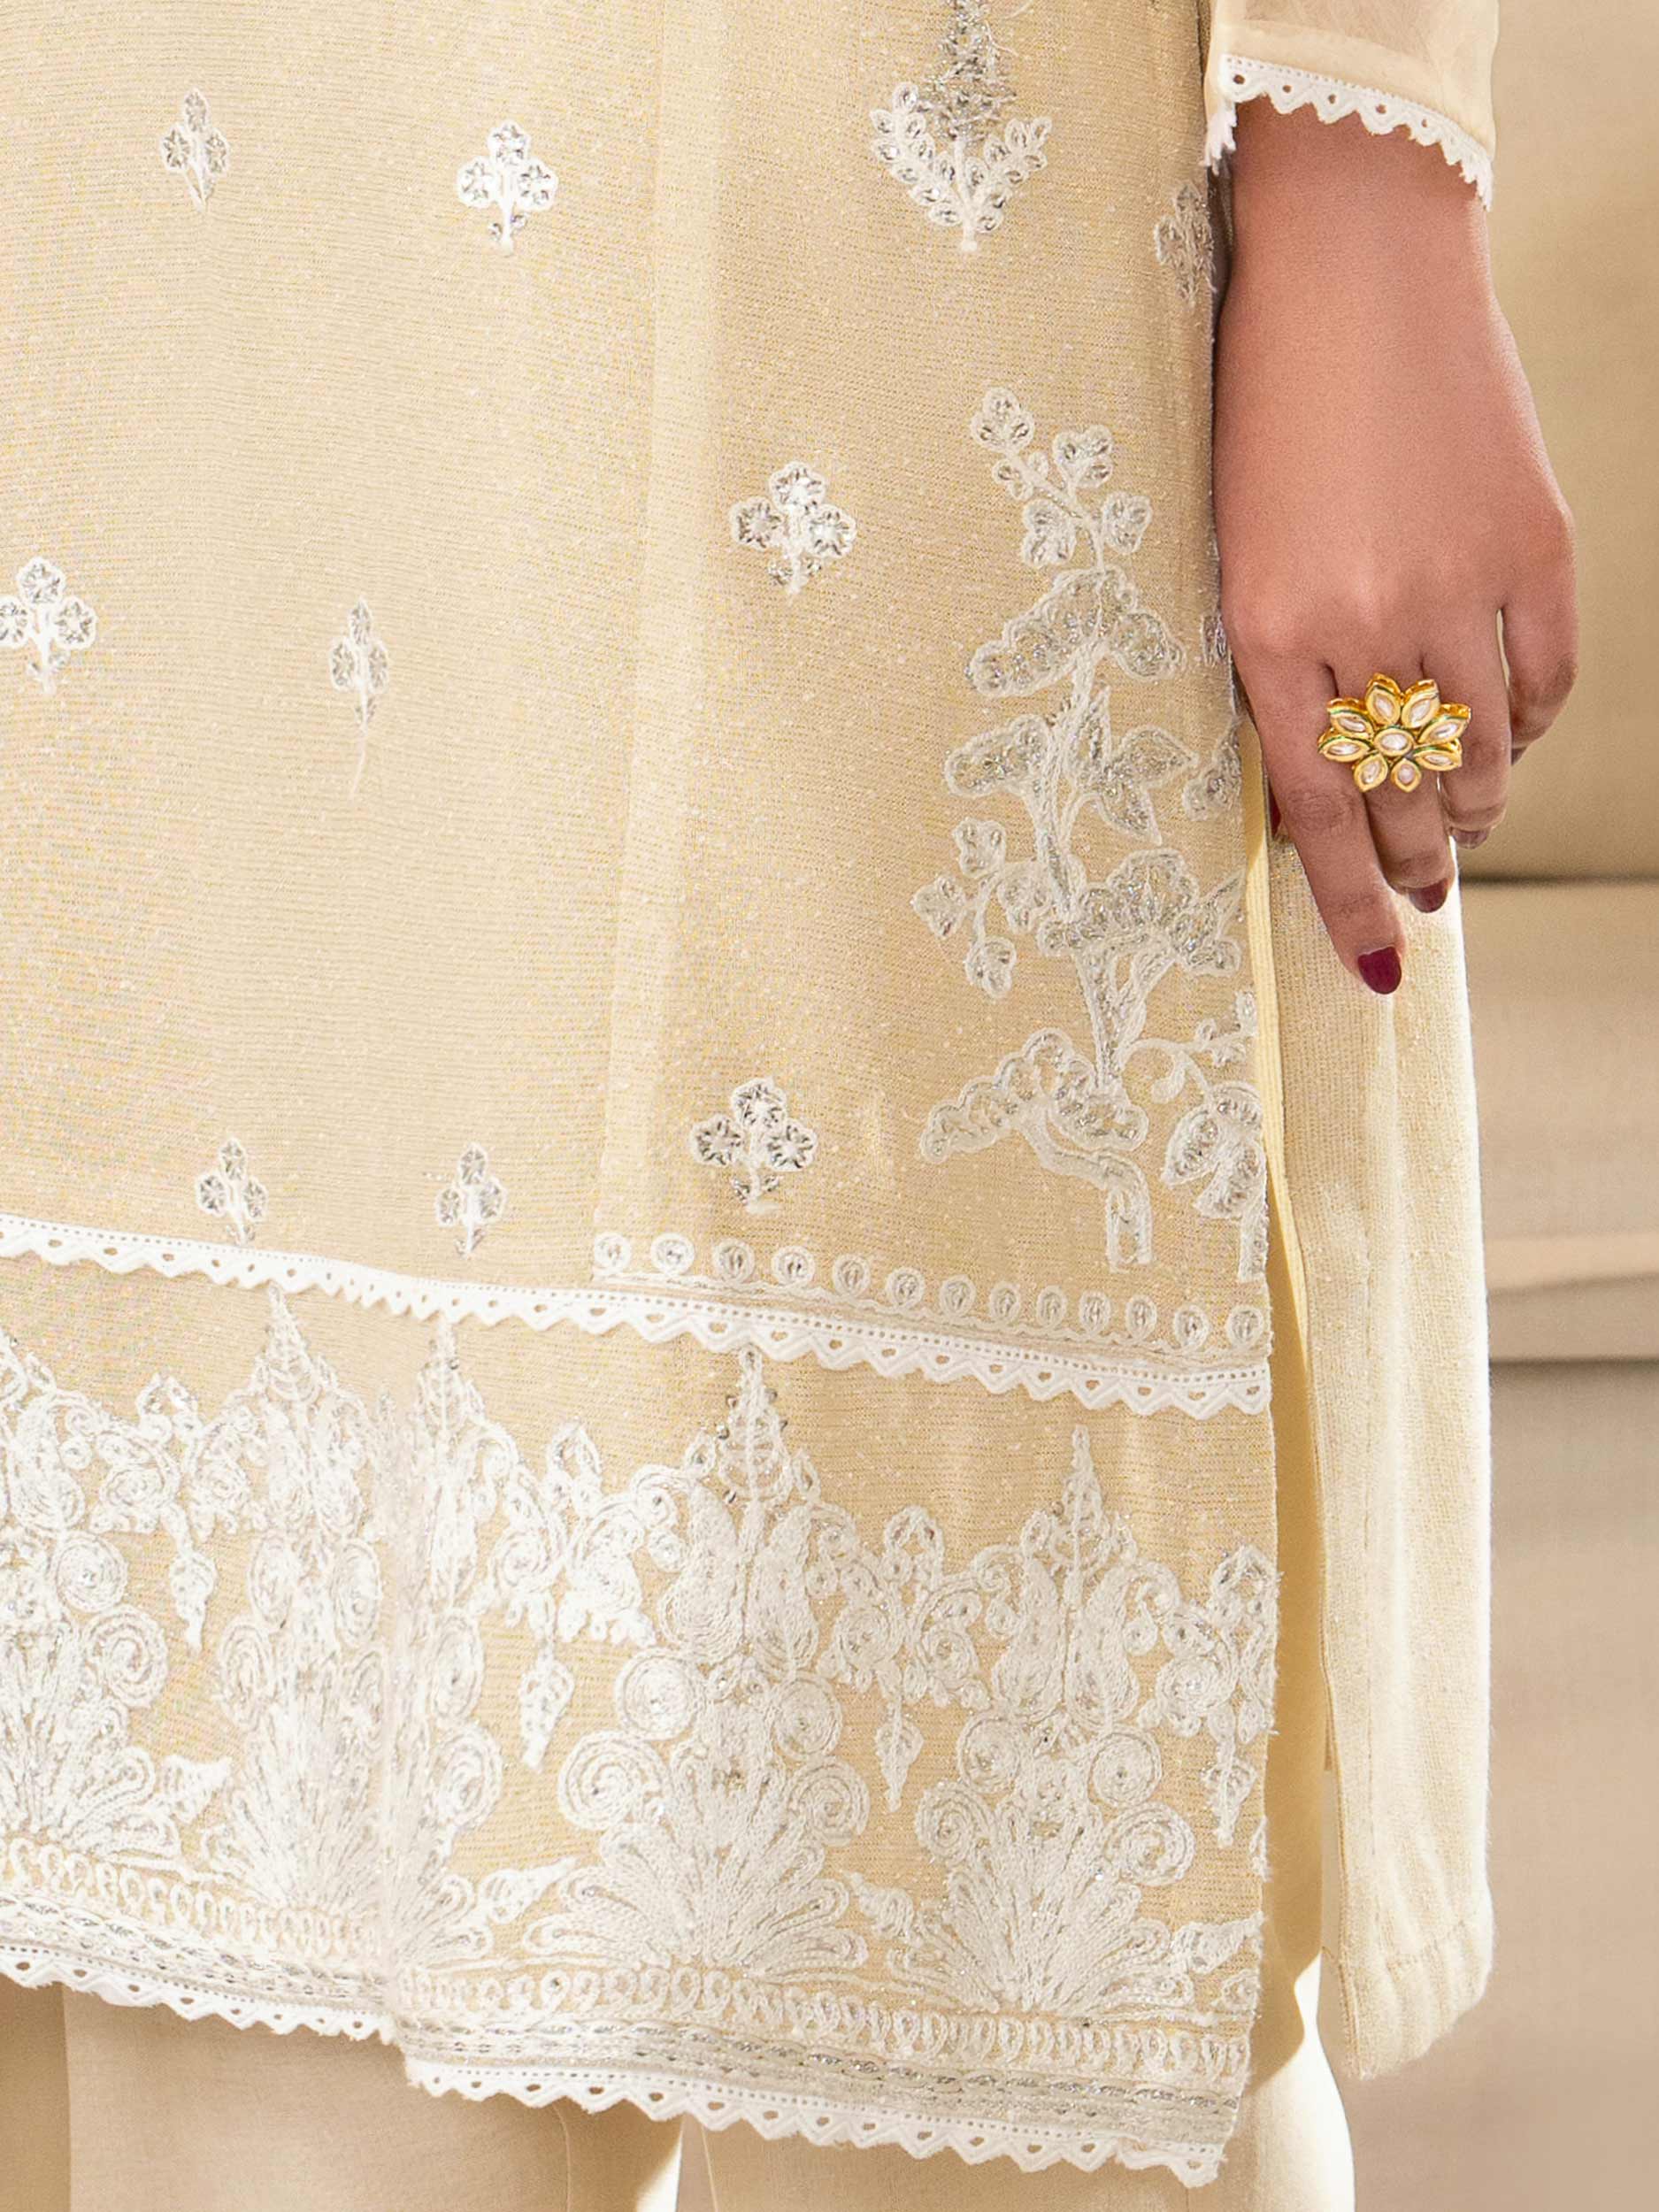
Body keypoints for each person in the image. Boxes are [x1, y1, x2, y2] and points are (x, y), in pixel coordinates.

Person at [0, 4, 1575, 2208]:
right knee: (240, 1898)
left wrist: (1366, 171)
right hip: (136, 188)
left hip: (853, 160)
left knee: (981, 1915)